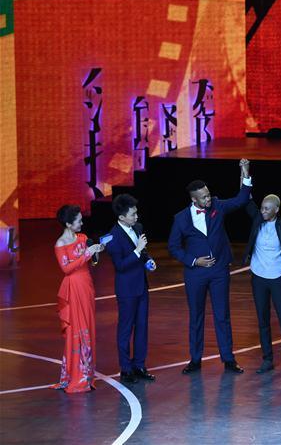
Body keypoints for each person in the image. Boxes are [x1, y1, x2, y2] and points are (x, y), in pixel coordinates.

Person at [167, 158, 252, 375]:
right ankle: (195, 359)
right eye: (204, 197)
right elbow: (173, 247)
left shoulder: (217, 206)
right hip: (195, 273)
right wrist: (194, 261)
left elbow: (241, 199)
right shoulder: (181, 218)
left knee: (222, 315)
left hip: (219, 270)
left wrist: (245, 172)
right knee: (196, 316)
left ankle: (229, 359)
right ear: (194, 199)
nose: (208, 198)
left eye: (208, 194)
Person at [243, 187, 281, 374]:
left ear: (276, 209)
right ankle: (267, 359)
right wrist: (244, 176)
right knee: (263, 320)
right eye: (262, 208)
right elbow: (246, 199)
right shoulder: (258, 219)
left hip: (277, 278)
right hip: (258, 278)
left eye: (267, 208)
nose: (263, 211)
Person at [51, 205, 104, 393]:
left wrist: (95, 252)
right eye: (79, 221)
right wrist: (87, 254)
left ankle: (86, 374)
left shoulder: (82, 238)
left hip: (86, 285)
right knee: (76, 327)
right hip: (73, 287)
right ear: (68, 223)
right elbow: (66, 269)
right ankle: (75, 376)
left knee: (88, 325)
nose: (82, 223)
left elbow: (92, 262)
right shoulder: (60, 244)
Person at [107, 194, 157, 384]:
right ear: (121, 217)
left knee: (142, 327)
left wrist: (148, 260)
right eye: (133, 214)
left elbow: (143, 253)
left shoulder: (138, 227)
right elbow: (120, 266)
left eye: (136, 213)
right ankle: (126, 369)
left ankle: (139, 365)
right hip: (127, 290)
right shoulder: (113, 237)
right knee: (125, 329)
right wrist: (137, 250)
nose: (137, 217)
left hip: (141, 286)